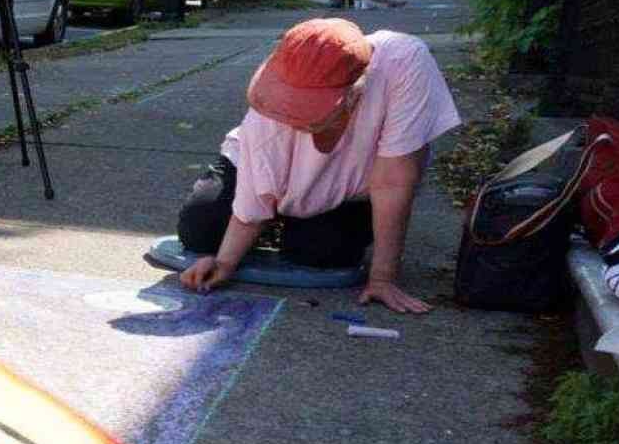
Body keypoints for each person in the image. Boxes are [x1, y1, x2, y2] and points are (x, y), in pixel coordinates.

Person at [176, 18, 460, 313]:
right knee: (200, 230)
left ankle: (288, 218)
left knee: (323, 253)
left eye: (310, 109)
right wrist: (225, 263)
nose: (295, 117)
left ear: (355, 93)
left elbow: (393, 180)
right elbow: (252, 199)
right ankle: (276, 215)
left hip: (352, 188)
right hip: (266, 171)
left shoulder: (405, 61)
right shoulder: (268, 110)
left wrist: (382, 277)